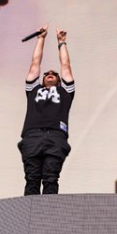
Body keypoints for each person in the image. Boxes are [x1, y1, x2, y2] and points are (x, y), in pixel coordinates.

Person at [17, 24, 75, 195]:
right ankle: (29, 212)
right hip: (32, 136)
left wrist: (61, 42)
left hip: (56, 136)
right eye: (46, 74)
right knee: (32, 179)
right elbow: (35, 64)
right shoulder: (33, 90)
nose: (50, 74)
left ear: (59, 80)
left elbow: (65, 65)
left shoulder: (65, 91)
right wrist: (40, 39)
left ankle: (48, 211)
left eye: (54, 74)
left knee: (51, 179)